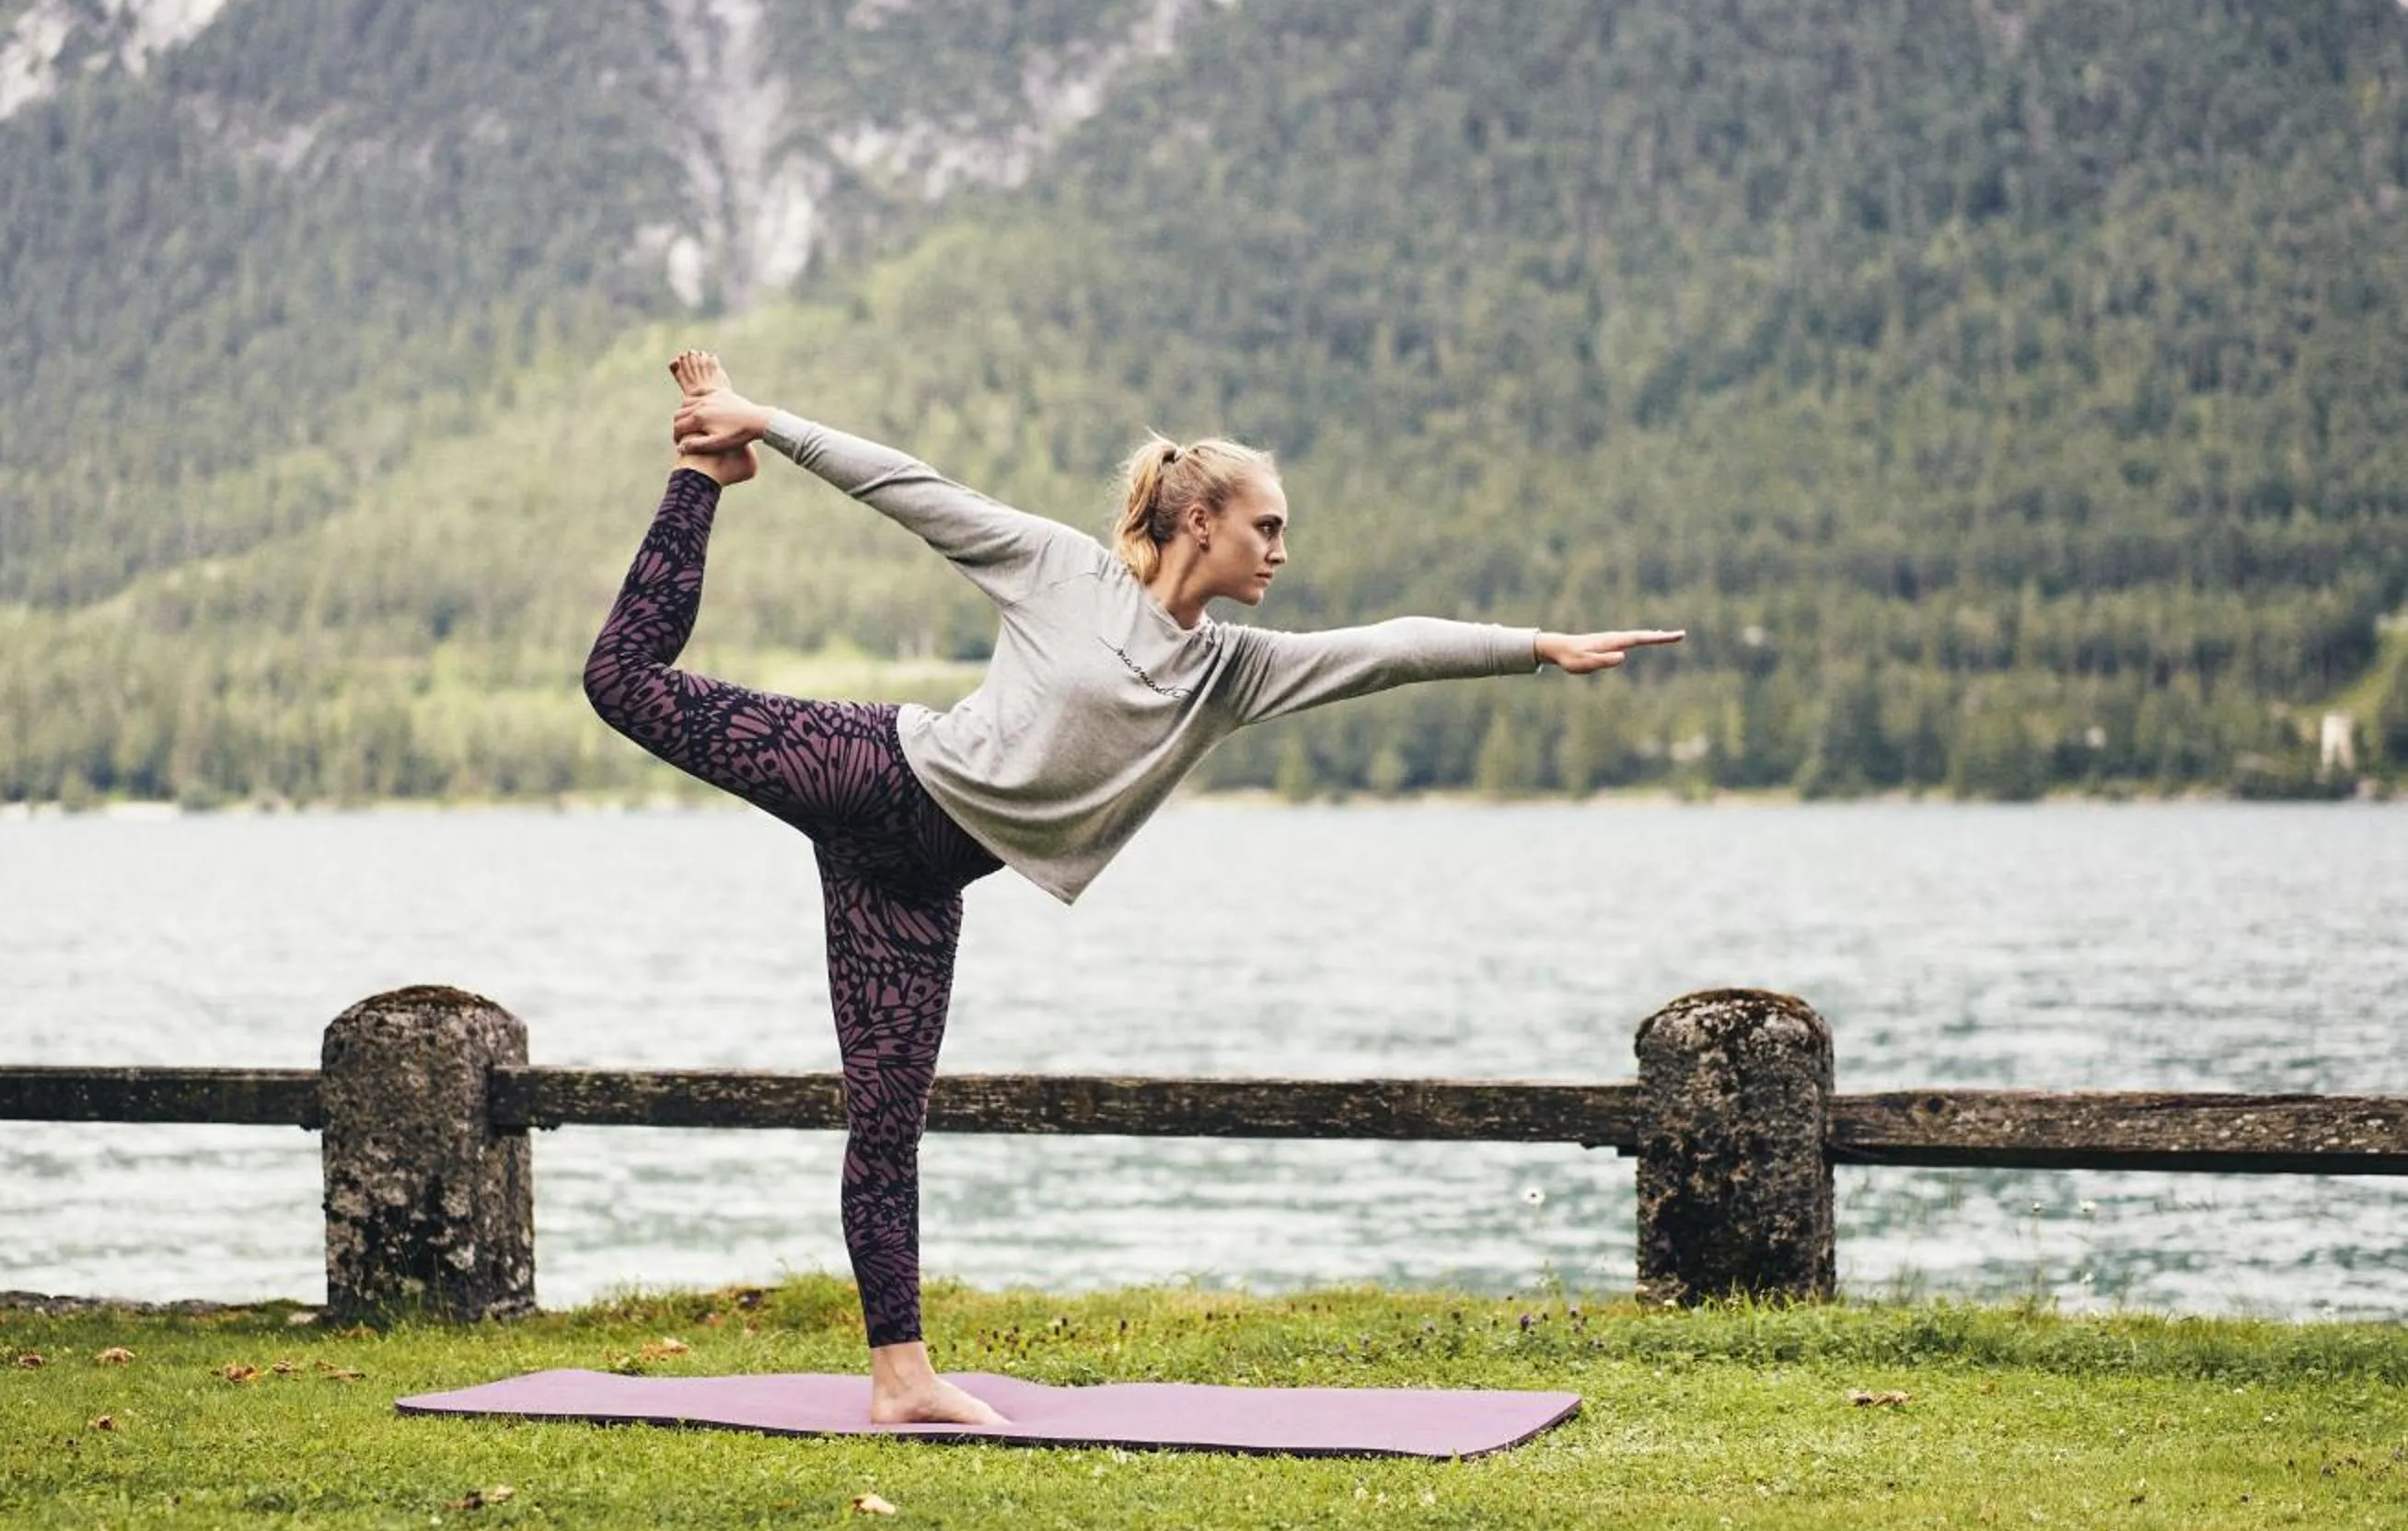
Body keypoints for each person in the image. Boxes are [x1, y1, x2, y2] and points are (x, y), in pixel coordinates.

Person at [582, 350, 1684, 1426]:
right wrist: (762, 424)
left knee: (885, 1128)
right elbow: (913, 489)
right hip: (875, 775)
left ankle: (901, 1380)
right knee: (622, 683)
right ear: (1200, 520)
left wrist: (1535, 645)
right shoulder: (1063, 572)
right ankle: (702, 476)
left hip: (917, 884)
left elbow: (1388, 648)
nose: (1281, 551)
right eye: (1267, 526)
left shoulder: (1230, 673)